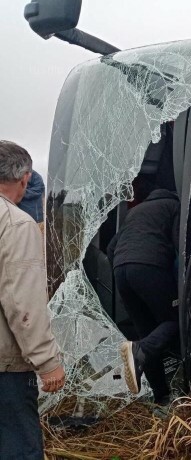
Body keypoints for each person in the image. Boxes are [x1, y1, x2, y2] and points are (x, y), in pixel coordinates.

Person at [0, 140, 65, 459]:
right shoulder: (15, 223)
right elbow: (22, 302)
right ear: (24, 179)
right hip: (5, 369)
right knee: (19, 449)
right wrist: (47, 362)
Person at [107, 176, 180, 405]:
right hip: (150, 267)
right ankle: (141, 349)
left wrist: (124, 265)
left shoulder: (135, 212)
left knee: (147, 331)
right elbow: (181, 246)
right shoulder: (174, 206)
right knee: (176, 319)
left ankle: (162, 398)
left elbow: (111, 247)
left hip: (121, 269)